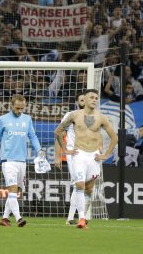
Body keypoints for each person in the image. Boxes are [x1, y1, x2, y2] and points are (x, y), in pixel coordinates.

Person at [54, 89, 117, 229]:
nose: (94, 100)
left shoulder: (101, 117)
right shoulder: (74, 115)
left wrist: (106, 154)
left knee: (89, 189)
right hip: (78, 155)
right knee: (80, 185)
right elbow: (58, 131)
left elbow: (114, 137)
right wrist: (64, 150)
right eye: (91, 98)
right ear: (85, 100)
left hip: (94, 157)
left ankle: (79, 217)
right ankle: (81, 218)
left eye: (96, 98)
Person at [0, 94, 42, 227]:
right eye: (17, 108)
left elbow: (32, 136)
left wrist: (40, 150)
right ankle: (18, 218)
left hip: (22, 161)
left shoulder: (27, 119)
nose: (19, 111)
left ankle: (5, 218)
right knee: (12, 189)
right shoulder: (3, 119)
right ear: (12, 105)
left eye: (22, 108)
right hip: (8, 160)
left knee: (16, 191)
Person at [54, 93, 85, 225]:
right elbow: (59, 132)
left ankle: (71, 218)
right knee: (78, 184)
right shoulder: (71, 115)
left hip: (86, 153)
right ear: (77, 102)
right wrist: (59, 154)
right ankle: (78, 217)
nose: (85, 101)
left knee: (79, 184)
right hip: (73, 153)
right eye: (82, 99)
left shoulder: (93, 117)